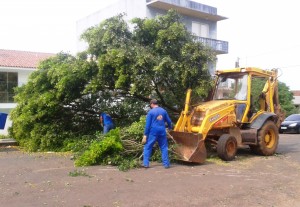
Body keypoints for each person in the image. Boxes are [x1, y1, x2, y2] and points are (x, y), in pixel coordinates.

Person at [143, 99, 172, 168]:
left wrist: (145, 135)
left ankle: (146, 164)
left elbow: (147, 125)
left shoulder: (151, 112)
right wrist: (170, 128)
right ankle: (166, 164)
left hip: (153, 132)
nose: (150, 106)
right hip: (162, 131)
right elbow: (169, 121)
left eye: (150, 105)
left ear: (152, 104)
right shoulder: (163, 111)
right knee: (164, 147)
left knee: (148, 147)